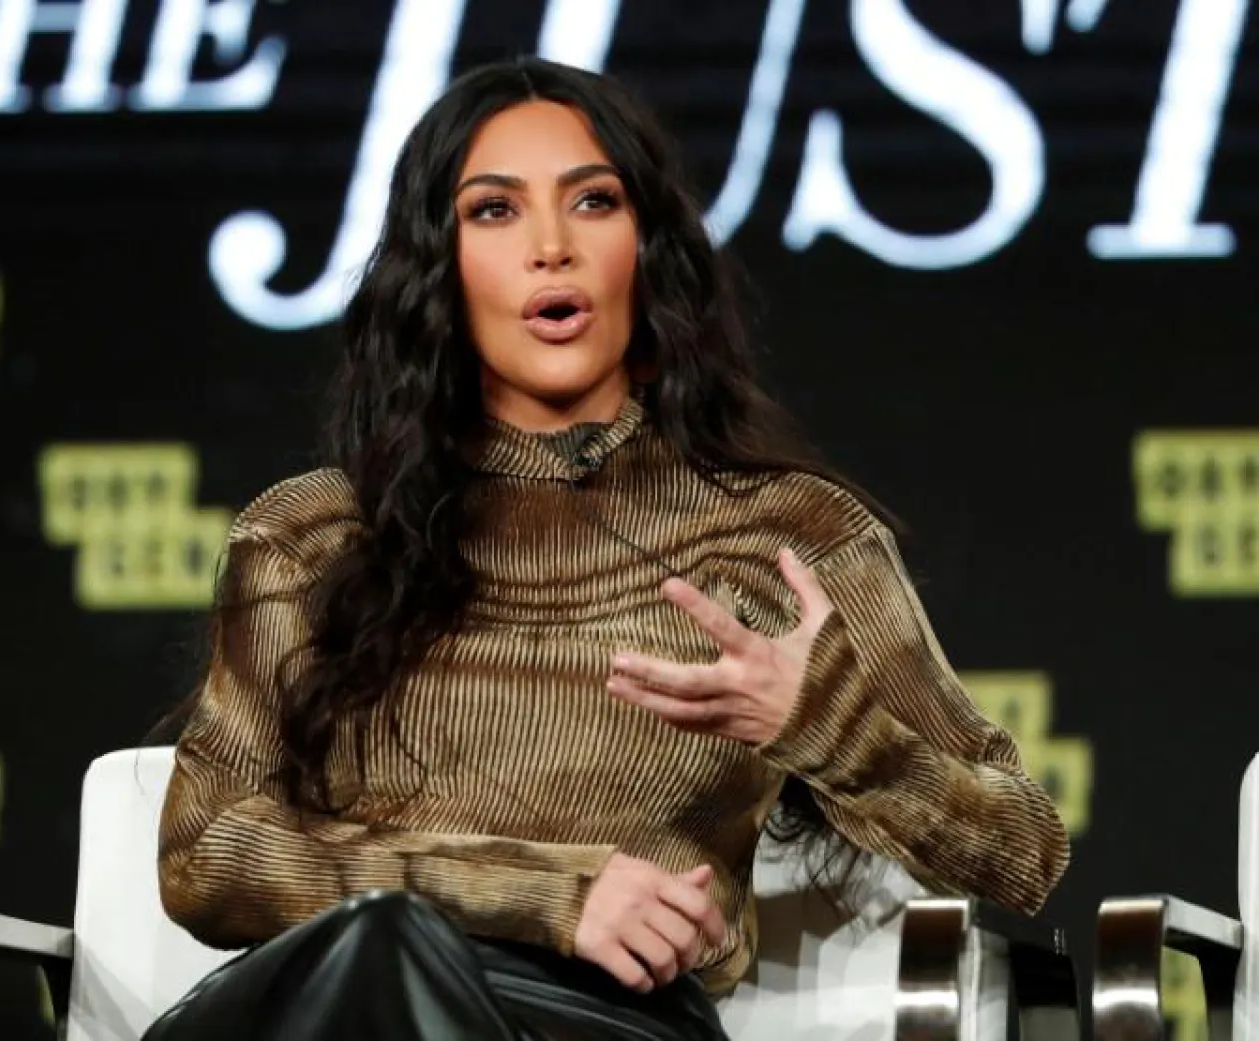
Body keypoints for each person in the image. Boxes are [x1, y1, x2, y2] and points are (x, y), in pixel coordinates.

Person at [146, 56, 1070, 1041]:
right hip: (322, 1000)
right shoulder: (311, 536)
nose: (551, 247)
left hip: (599, 1023)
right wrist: (547, 891)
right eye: (494, 212)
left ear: (647, 248)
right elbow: (204, 855)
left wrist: (825, 720)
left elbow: (1020, 850)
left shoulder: (779, 536)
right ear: (438, 266)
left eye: (593, 202)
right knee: (384, 948)